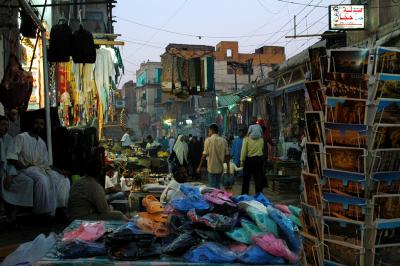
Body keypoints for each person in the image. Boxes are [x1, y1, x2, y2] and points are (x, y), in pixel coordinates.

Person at [7, 116, 70, 216]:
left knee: (64, 180)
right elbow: (11, 156)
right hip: (27, 169)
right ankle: (42, 213)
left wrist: (60, 171)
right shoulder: (21, 137)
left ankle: (60, 208)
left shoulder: (42, 142)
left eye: (41, 124)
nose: (39, 126)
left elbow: (47, 164)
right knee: (42, 180)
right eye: (37, 123)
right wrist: (23, 166)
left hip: (41, 169)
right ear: (31, 124)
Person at [67, 157, 127, 222]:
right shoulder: (94, 186)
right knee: (119, 215)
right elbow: (104, 211)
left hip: (72, 216)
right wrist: (110, 208)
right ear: (100, 172)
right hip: (82, 218)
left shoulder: (78, 182)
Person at [0, 115, 34, 223]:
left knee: (27, 181)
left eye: (7, 125)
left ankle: (13, 215)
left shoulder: (9, 139)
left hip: (8, 171)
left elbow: (10, 159)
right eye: (2, 125)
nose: (5, 128)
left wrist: (10, 174)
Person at [197, 124, 230, 188]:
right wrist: (228, 169)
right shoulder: (224, 141)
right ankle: (218, 196)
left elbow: (204, 155)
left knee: (212, 188)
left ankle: (215, 197)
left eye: (209, 131)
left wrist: (199, 167)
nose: (208, 132)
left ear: (212, 130)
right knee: (218, 186)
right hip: (220, 168)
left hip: (211, 168)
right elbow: (227, 156)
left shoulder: (208, 140)